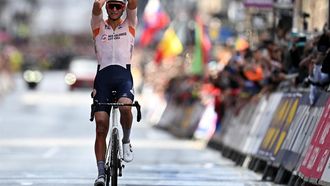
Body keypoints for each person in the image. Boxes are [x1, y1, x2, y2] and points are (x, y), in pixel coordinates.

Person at [91, 0, 138, 185]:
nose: (115, 9)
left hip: (123, 78)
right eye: (112, 6)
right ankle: (101, 173)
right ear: (107, 7)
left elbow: (134, 3)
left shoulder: (130, 24)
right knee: (101, 126)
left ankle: (126, 141)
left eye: (119, 6)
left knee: (126, 108)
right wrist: (100, 3)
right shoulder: (98, 26)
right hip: (102, 79)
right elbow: (96, 5)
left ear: (124, 8)